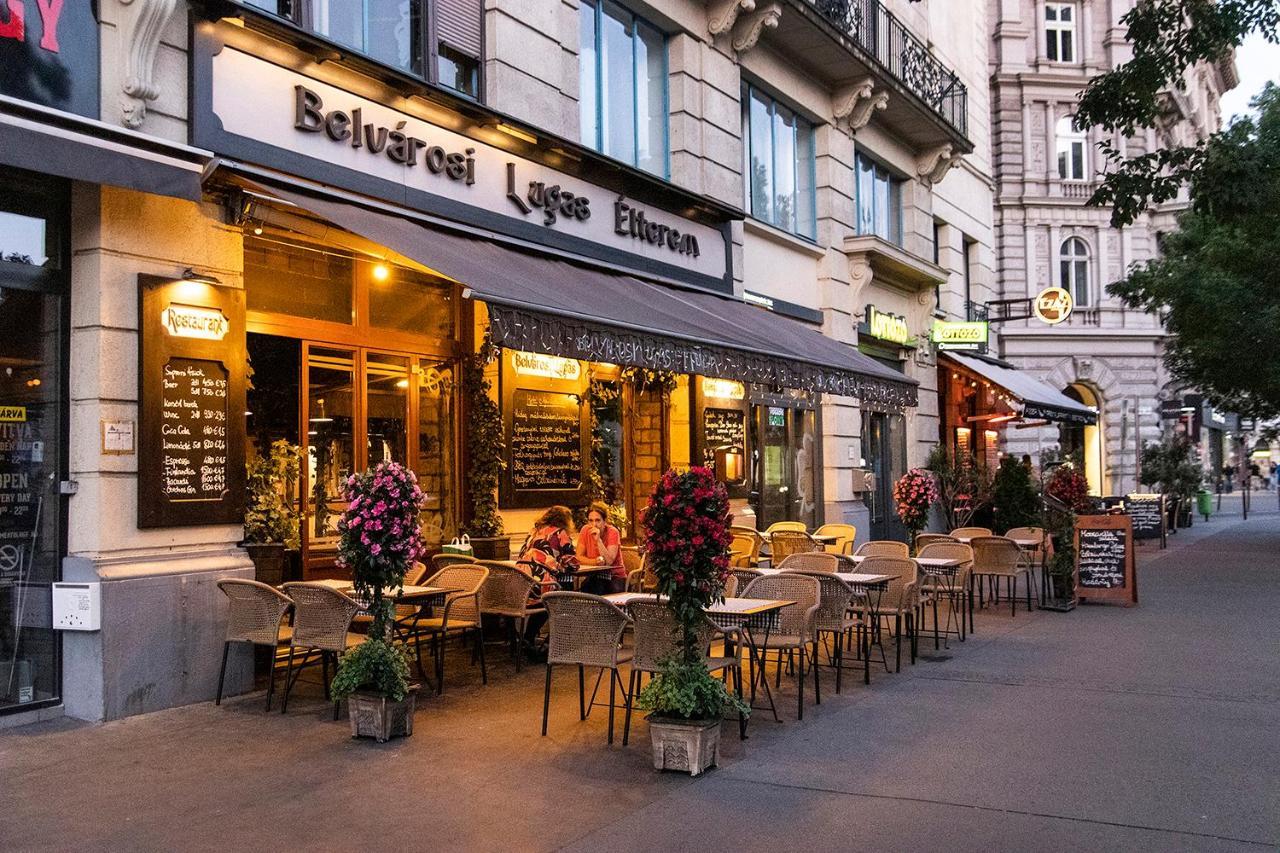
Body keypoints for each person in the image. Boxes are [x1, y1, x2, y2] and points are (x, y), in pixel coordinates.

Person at [515, 506, 580, 657]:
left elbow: (522, 554)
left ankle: (529, 638)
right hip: (542, 585)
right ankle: (556, 643)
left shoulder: (533, 533)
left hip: (523, 584)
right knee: (557, 599)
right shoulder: (560, 533)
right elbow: (572, 561)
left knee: (546, 601)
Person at [576, 501, 625, 594]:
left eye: (598, 520)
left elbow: (609, 561)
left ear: (605, 521)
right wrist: (595, 562)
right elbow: (578, 557)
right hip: (595, 575)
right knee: (584, 590)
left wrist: (598, 540)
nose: (594, 524)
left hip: (614, 575)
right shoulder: (585, 530)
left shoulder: (613, 532)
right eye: (591, 520)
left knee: (605, 590)